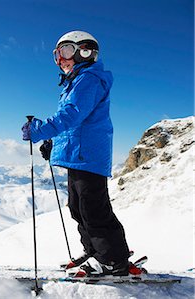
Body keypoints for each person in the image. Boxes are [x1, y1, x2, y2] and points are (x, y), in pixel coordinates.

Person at [22, 30, 130, 277]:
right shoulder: (77, 82)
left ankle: (113, 260)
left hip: (88, 155)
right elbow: (74, 124)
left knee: (94, 210)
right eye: (58, 54)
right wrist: (54, 142)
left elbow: (71, 115)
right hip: (78, 154)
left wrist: (40, 130)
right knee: (78, 208)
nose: (61, 59)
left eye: (67, 51)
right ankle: (95, 252)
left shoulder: (89, 79)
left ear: (85, 52)